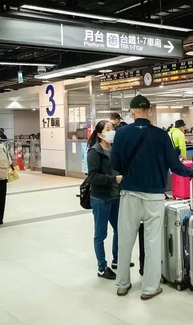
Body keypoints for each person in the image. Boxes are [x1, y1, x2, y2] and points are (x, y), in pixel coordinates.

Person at [111, 95, 193, 301]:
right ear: (149, 111)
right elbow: (175, 164)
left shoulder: (121, 133)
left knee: (125, 239)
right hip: (154, 195)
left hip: (129, 193)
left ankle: (122, 284)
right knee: (152, 242)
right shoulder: (160, 135)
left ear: (133, 112)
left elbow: (115, 164)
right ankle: (149, 288)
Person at [86, 120, 124, 280]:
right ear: (100, 134)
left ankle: (117, 260)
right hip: (101, 198)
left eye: (113, 128)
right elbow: (92, 177)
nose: (112, 131)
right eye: (108, 129)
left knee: (120, 230)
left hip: (116, 197)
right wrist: (114, 180)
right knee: (100, 234)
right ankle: (102, 267)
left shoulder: (114, 149)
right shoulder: (94, 152)